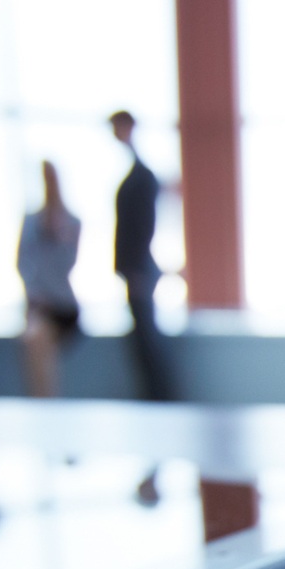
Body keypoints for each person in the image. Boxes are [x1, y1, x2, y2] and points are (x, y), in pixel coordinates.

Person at [111, 110, 174, 401]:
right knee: (142, 342)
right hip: (136, 268)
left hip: (140, 269)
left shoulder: (143, 177)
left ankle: (160, 399)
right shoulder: (137, 174)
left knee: (148, 343)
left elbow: (143, 227)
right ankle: (155, 398)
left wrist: (135, 268)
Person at [17, 160, 82, 398]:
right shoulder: (31, 221)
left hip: (63, 304)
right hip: (38, 303)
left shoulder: (72, 222)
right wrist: (34, 292)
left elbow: (69, 263)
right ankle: (43, 400)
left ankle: (47, 401)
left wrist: (59, 233)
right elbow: (22, 262)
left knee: (39, 343)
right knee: (36, 342)